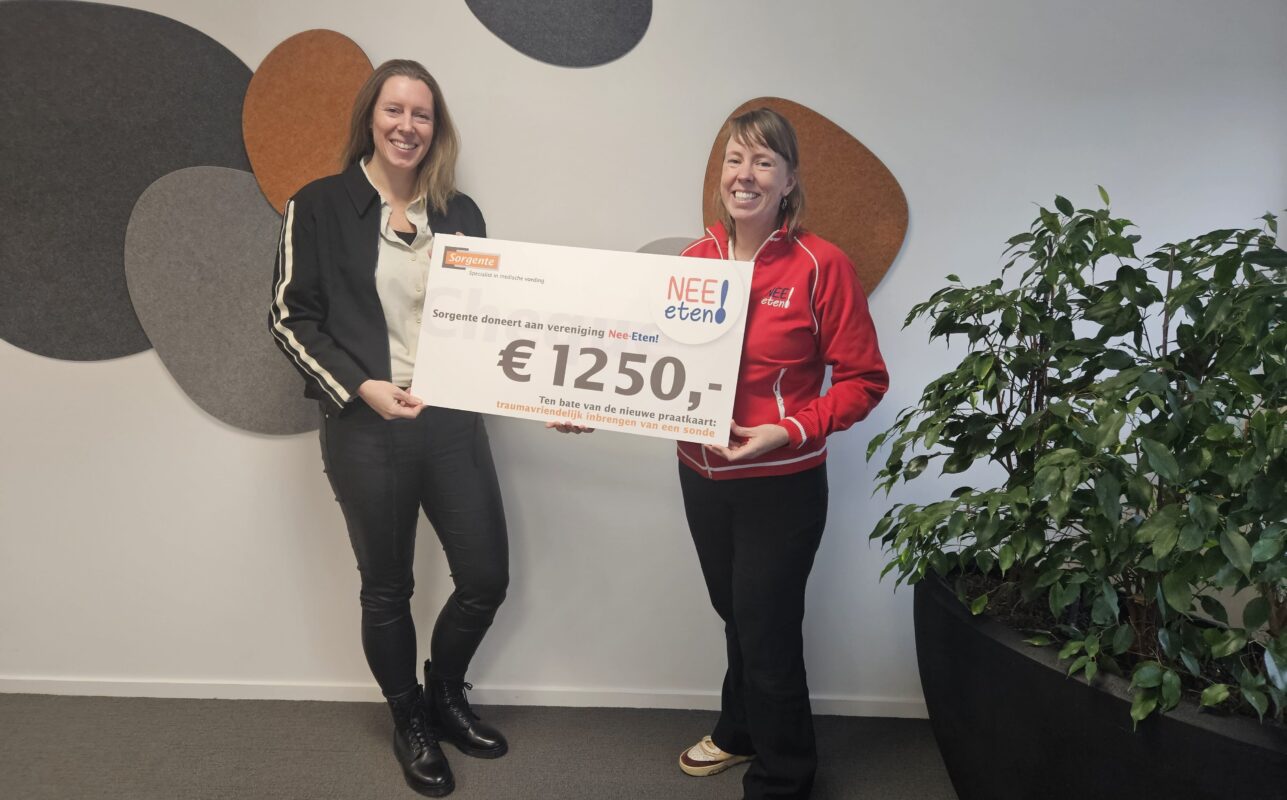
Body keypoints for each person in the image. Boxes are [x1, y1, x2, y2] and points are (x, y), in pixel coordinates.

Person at [269, 60, 508, 798]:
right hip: (365, 426)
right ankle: (409, 719)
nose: (407, 126)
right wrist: (361, 387)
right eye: (394, 110)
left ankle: (445, 693)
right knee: (387, 587)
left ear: (437, 128)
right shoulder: (318, 205)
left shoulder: (461, 214)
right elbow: (289, 317)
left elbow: (497, 325)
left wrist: (555, 397)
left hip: (451, 422)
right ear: (370, 119)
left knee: (485, 579)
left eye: (422, 114)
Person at [673, 108, 889, 799]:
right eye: (735, 159)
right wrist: (585, 410)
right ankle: (739, 730)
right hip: (701, 476)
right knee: (736, 614)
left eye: (764, 162)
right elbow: (646, 369)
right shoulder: (692, 263)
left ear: (789, 180)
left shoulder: (822, 266)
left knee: (766, 631)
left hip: (782, 484)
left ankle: (785, 778)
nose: (746, 175)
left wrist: (790, 429)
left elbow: (863, 381)